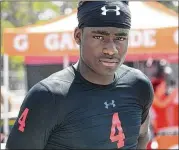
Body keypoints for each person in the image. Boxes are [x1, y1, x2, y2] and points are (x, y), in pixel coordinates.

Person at [6, 1, 154, 149]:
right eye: (99, 37)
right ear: (78, 36)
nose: (111, 49)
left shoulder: (139, 86)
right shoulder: (48, 96)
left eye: (120, 38)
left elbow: (142, 136)